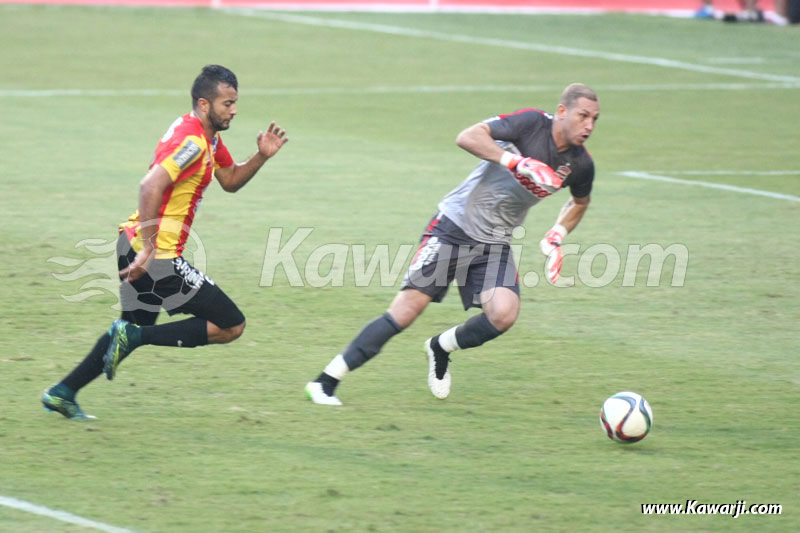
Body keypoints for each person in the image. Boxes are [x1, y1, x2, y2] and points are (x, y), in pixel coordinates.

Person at [305, 83, 599, 406]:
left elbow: (579, 202)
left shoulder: (581, 164)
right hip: (453, 228)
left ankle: (441, 346)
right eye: (583, 116)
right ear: (561, 111)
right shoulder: (530, 125)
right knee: (404, 312)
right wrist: (515, 162)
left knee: (504, 314)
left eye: (594, 120)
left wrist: (557, 235)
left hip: (495, 242)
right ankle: (325, 382)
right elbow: (467, 136)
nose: (589, 126)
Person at [42, 64, 289, 419]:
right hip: (156, 256)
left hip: (134, 244)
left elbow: (231, 179)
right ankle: (130, 339)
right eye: (227, 104)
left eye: (235, 103)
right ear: (205, 104)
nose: (233, 110)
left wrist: (262, 156)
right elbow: (150, 185)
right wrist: (150, 248)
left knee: (130, 328)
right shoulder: (192, 143)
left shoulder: (207, 136)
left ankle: (62, 392)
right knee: (231, 324)